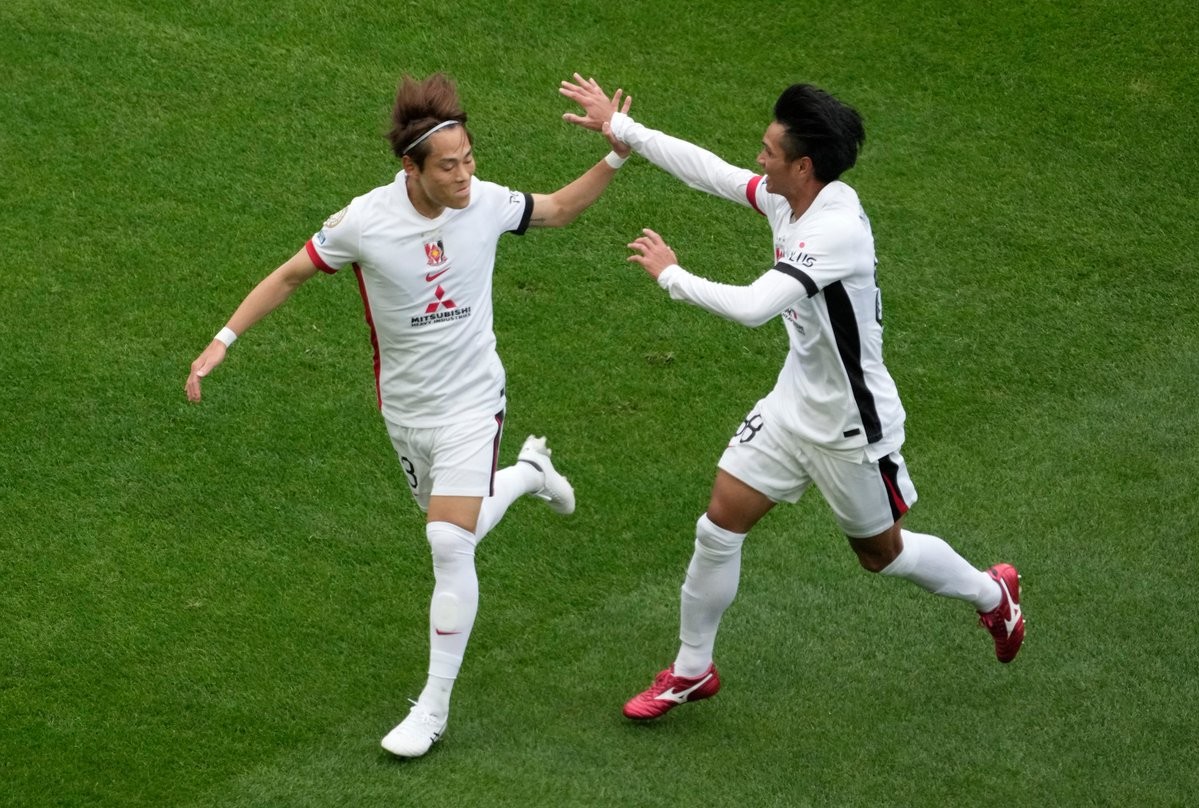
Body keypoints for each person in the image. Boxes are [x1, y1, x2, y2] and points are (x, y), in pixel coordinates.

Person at [186, 73, 632, 756]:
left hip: (474, 403)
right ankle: (529, 475)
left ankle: (433, 707)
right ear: (410, 168)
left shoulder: (486, 203)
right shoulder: (364, 221)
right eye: (448, 166)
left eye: (470, 158)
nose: (464, 175)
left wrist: (618, 151)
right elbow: (290, 275)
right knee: (456, 525)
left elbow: (561, 209)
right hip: (405, 413)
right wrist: (223, 340)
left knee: (448, 543)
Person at [559, 74, 1025, 721]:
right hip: (790, 406)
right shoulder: (792, 198)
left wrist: (673, 276)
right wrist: (623, 129)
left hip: (850, 428)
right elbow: (714, 173)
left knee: (881, 555)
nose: (759, 158)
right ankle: (692, 669)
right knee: (718, 525)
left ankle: (993, 595)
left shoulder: (835, 231)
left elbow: (755, 307)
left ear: (803, 166)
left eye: (770, 151)